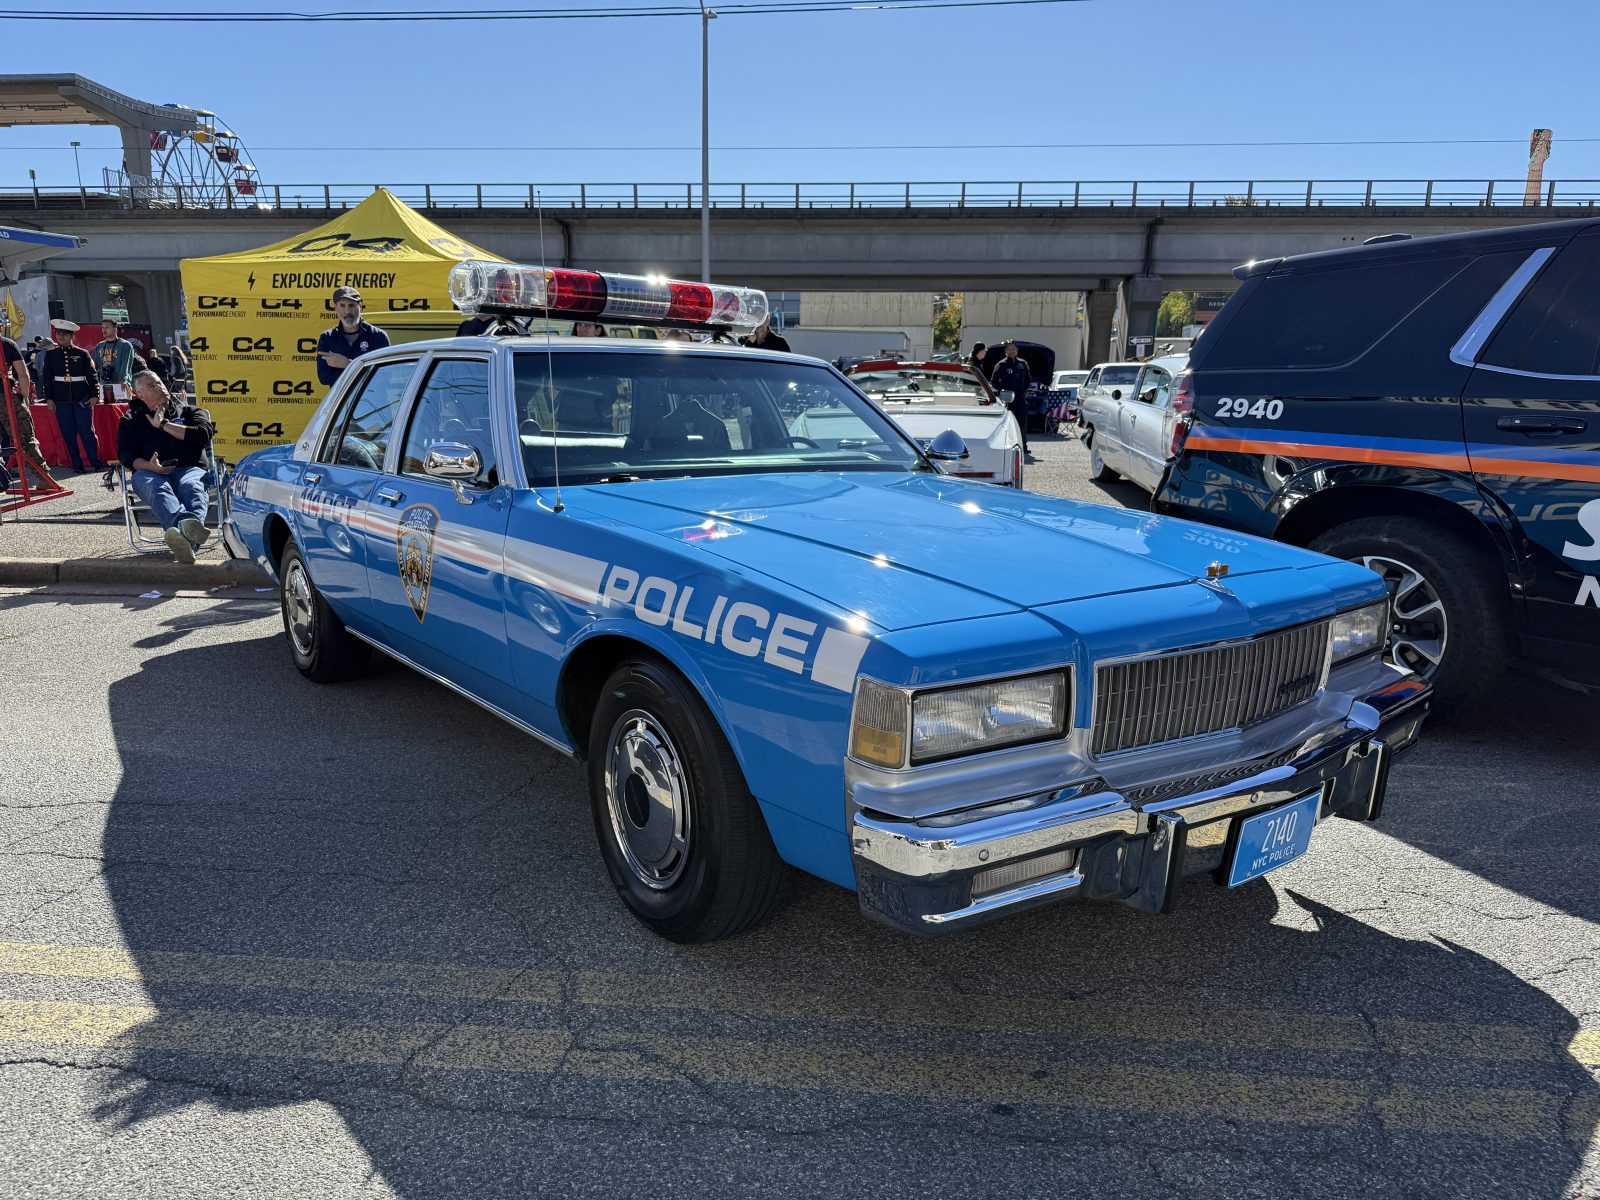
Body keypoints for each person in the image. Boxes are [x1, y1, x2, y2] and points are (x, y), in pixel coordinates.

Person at [117, 370, 215, 564]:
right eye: (151, 386)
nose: (160, 387)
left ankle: (185, 541)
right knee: (157, 488)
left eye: (159, 383)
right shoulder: (131, 420)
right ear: (140, 394)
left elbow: (202, 435)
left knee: (192, 488)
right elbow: (126, 455)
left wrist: (163, 425)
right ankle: (189, 537)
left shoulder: (190, 412)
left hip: (190, 468)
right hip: (149, 471)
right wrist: (149, 466)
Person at [1, 328, 64, 494]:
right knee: (25, 439)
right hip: (5, 398)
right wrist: (24, 397)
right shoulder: (6, 344)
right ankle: (44, 478)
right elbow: (23, 374)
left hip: (5, 398)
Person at [41, 319, 104, 473]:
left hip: (82, 398)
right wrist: (49, 398)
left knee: (87, 432)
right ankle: (77, 464)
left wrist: (95, 395)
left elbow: (92, 376)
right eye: (58, 333)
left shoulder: (82, 353)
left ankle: (96, 462)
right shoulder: (50, 355)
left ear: (72, 336)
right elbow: (47, 378)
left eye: (64, 334)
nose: (60, 336)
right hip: (61, 399)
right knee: (68, 434)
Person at [315, 286, 390, 387]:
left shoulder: (378, 336)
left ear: (360, 306)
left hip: (372, 396)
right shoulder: (327, 337)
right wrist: (363, 370)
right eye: (342, 306)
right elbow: (324, 377)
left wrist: (348, 364)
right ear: (335, 307)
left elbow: (383, 376)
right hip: (342, 396)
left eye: (351, 305)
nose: (347, 311)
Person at [990, 340, 1034, 456]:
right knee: (1007, 423)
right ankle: (1007, 445)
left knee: (1022, 423)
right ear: (1005, 351)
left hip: (1020, 398)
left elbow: (1028, 380)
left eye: (1013, 349)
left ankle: (1023, 446)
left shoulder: (1023, 364)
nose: (1012, 351)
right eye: (1009, 349)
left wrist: (1023, 391)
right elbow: (994, 381)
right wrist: (1002, 391)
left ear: (1017, 350)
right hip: (1007, 399)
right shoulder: (1001, 364)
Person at [93, 317, 137, 402]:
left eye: (107, 327)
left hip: (121, 385)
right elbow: (94, 367)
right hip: (104, 386)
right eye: (102, 328)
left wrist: (123, 380)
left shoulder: (125, 345)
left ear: (115, 329)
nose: (104, 330)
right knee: (106, 409)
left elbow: (126, 365)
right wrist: (94, 382)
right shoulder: (99, 346)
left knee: (122, 409)